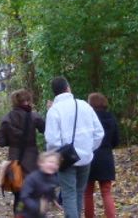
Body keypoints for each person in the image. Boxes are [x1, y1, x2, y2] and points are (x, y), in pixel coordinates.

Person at [45, 76, 104, 218]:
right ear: (68, 88)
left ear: (55, 92)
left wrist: (56, 157)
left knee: (69, 194)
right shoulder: (84, 105)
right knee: (78, 192)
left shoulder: (54, 111)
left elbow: (52, 141)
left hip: (65, 160)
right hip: (85, 158)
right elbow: (99, 133)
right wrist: (89, 148)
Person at [0, 89, 46, 214]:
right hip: (32, 161)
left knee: (18, 195)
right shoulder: (34, 116)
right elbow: (46, 129)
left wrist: (13, 142)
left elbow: (0, 142)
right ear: (28, 101)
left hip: (15, 161)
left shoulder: (7, 118)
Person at [84, 93, 119, 218]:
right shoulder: (111, 118)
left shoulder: (87, 118)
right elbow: (116, 140)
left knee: (87, 193)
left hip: (89, 157)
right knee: (106, 192)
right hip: (106, 157)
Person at [18, 151, 62, 218]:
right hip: (25, 212)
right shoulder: (32, 178)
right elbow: (24, 197)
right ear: (41, 163)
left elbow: (50, 189)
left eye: (57, 164)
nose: (53, 165)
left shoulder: (53, 177)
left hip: (40, 213)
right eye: (50, 162)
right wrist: (38, 206)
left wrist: (54, 200)